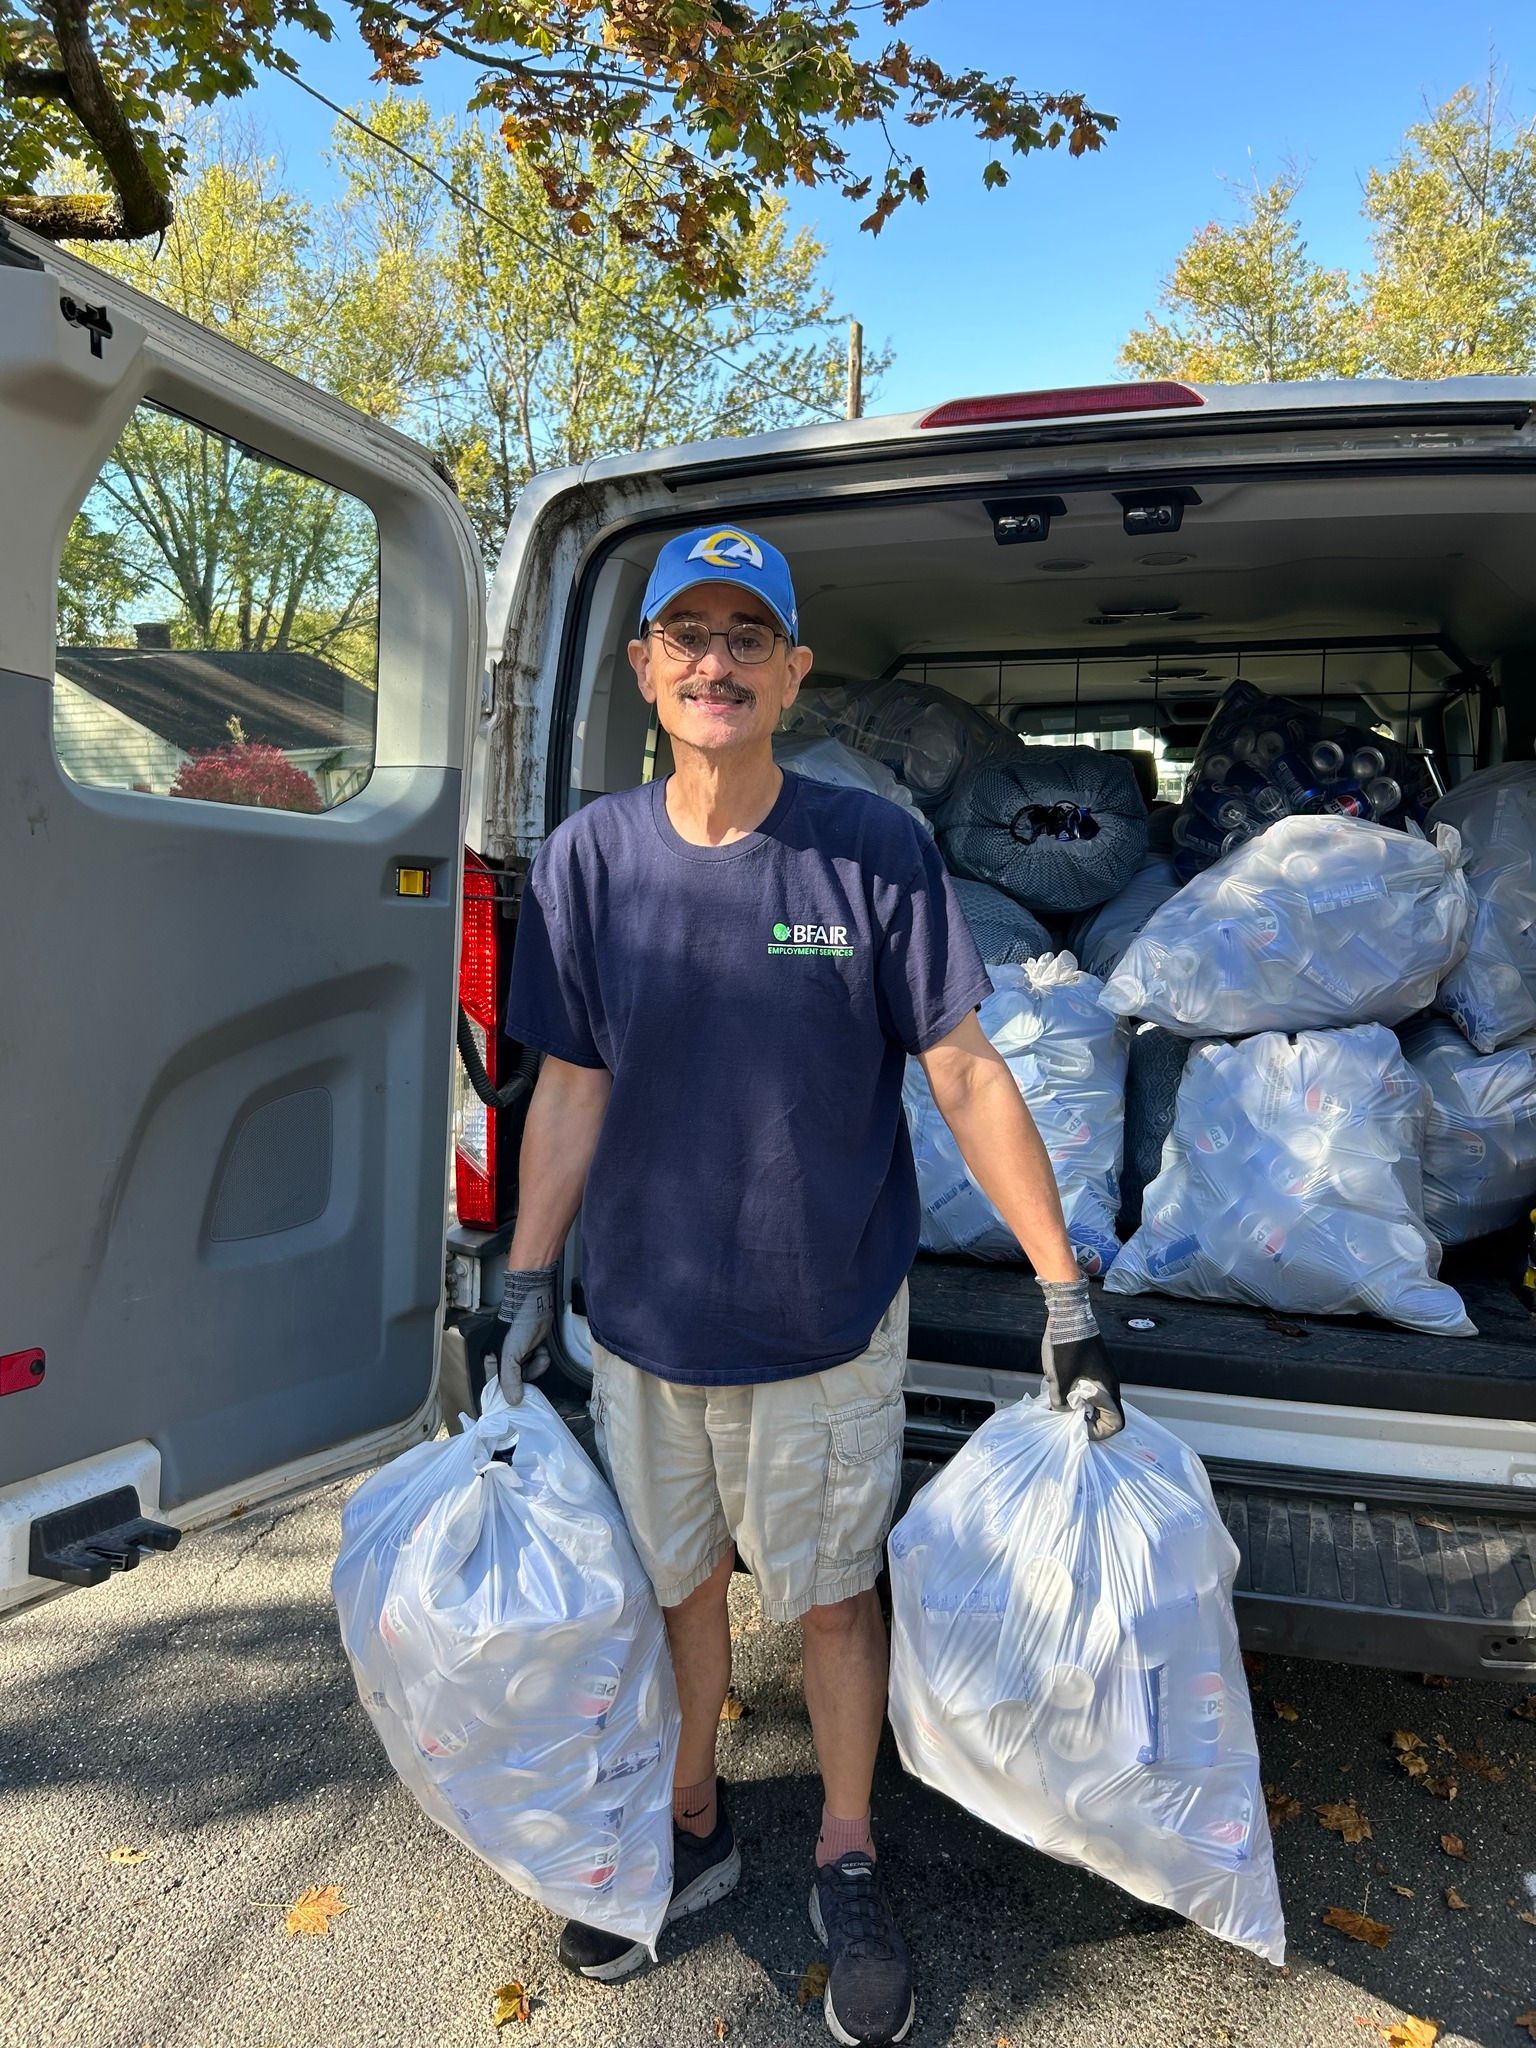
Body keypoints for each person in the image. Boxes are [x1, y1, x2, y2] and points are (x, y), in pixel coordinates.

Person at [479, 525, 1121, 2048]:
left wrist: (1064, 1291)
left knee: (833, 1604)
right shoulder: (590, 860)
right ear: (645, 671)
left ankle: (845, 1848)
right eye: (686, 636)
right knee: (677, 1589)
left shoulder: (868, 852)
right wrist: (517, 1282)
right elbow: (567, 1087)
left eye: (746, 638)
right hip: (641, 1322)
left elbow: (962, 1069)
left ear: (792, 673)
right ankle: (692, 1825)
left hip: (825, 1321)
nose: (715, 663)